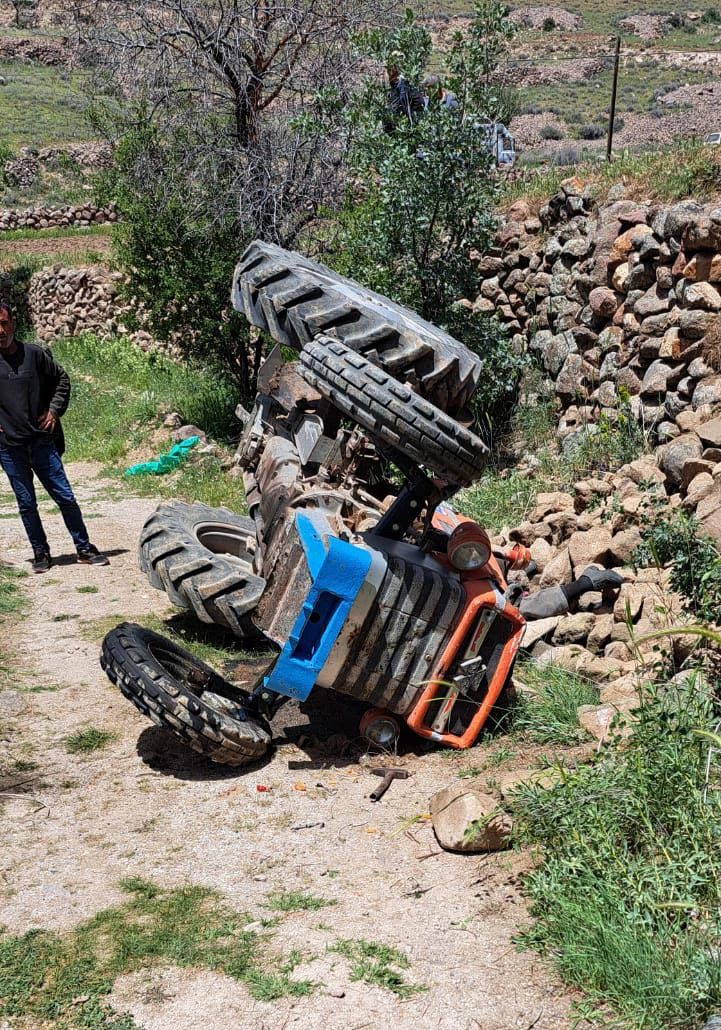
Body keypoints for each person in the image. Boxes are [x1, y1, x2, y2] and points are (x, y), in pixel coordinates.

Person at [0, 298, 109, 573]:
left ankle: (84, 548)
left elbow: (62, 380)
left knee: (65, 497)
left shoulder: (34, 355)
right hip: (9, 448)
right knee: (26, 504)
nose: (0, 331)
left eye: (3, 324)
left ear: (13, 323)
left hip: (41, 442)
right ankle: (41, 553)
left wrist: (54, 411)